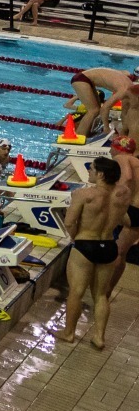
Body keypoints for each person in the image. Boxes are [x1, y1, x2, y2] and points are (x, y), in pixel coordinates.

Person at [59, 155, 129, 347]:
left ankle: (69, 333)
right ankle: (99, 337)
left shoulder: (84, 195)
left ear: (100, 174)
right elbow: (126, 220)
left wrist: (76, 237)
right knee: (100, 295)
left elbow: (69, 222)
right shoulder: (123, 194)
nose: (89, 171)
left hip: (85, 246)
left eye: (91, 169)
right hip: (109, 247)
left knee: (76, 292)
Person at [67, 66, 135, 138]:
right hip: (81, 79)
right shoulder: (124, 90)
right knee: (93, 110)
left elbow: (124, 114)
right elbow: (105, 108)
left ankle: (85, 132)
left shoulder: (130, 90)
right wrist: (106, 128)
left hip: (86, 78)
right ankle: (79, 136)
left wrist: (125, 132)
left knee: (95, 110)